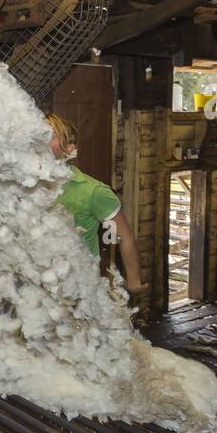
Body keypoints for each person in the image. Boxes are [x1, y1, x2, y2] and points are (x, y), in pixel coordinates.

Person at [43, 113, 145, 296]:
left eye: (50, 136)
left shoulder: (93, 192)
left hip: (78, 290)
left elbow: (124, 236)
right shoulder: (22, 186)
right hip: (33, 290)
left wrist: (134, 280)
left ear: (69, 148)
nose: (40, 141)